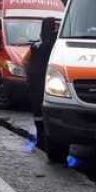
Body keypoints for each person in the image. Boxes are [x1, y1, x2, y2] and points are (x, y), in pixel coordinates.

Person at [26, 17, 58, 147]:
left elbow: (25, 61)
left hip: (35, 79)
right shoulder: (56, 44)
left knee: (37, 109)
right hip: (51, 80)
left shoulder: (36, 45)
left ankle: (40, 137)